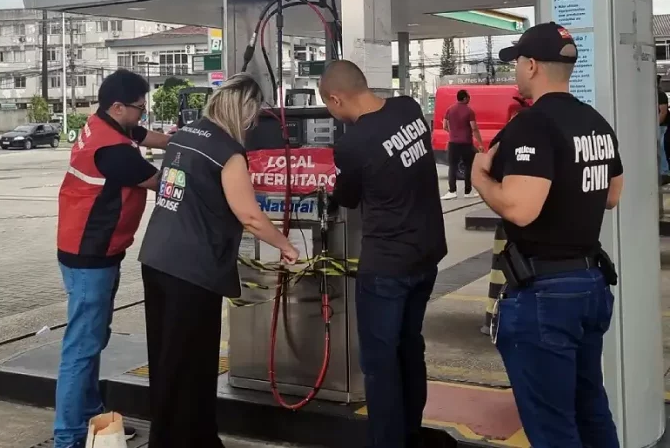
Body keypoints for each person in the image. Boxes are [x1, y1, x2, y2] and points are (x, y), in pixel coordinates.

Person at [472, 22, 623, 447]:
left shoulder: (532, 125)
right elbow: (613, 194)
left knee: (553, 426)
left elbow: (521, 209)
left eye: (518, 61)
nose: (517, 69)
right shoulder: (594, 121)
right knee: (590, 407)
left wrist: (481, 178)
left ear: (532, 65)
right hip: (590, 285)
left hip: (545, 295)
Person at [137, 73, 299, 448]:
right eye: (255, 116)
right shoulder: (228, 152)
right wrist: (286, 246)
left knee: (166, 362)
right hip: (192, 272)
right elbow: (251, 216)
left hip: (157, 259)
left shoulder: (186, 135)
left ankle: (168, 438)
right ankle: (193, 440)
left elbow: (170, 184)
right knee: (194, 364)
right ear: (245, 113)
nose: (255, 124)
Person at [319, 60, 447, 448]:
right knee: (410, 346)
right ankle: (410, 432)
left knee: (378, 363)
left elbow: (348, 196)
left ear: (336, 99)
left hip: (387, 266)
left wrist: (332, 186)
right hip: (427, 254)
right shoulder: (409, 108)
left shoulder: (352, 143)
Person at [54, 69, 171, 448]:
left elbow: (148, 136)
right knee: (82, 347)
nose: (142, 115)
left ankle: (92, 422)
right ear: (118, 106)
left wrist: (186, 140)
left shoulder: (104, 123)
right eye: (139, 108)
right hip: (90, 256)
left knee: (92, 339)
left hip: (87, 249)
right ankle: (69, 438)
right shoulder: (113, 151)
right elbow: (162, 182)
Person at [441, 89, 483, 200]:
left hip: (453, 143)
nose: (469, 99)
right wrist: (480, 143)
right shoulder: (469, 111)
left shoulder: (450, 109)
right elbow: (474, 128)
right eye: (468, 97)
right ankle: (467, 192)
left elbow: (444, 125)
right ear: (464, 98)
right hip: (466, 144)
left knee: (452, 167)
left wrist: (453, 133)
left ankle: (452, 191)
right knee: (468, 167)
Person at [658, 75, 670, 181]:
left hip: (662, 126)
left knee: (661, 149)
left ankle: (665, 172)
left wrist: (655, 125)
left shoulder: (661, 95)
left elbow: (663, 112)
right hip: (659, 126)